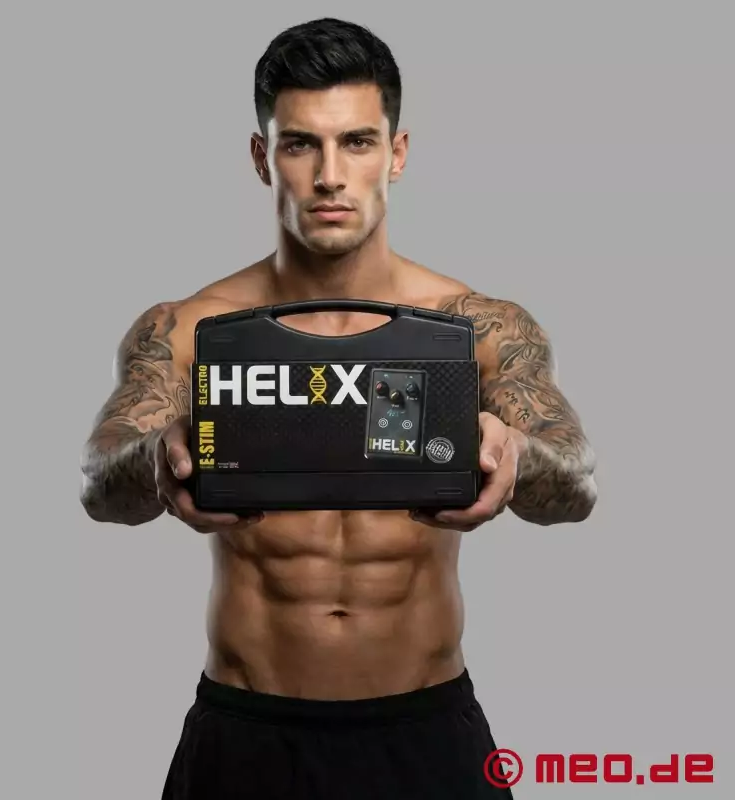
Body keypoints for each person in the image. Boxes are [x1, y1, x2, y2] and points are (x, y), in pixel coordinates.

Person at [79, 17, 597, 799]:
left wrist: (518, 456)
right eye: (300, 144)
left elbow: (578, 482)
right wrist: (157, 460)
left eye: (357, 142)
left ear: (397, 153)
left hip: (424, 728)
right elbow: (99, 482)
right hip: (247, 730)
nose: (329, 175)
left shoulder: (478, 329)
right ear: (263, 158)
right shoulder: (188, 331)